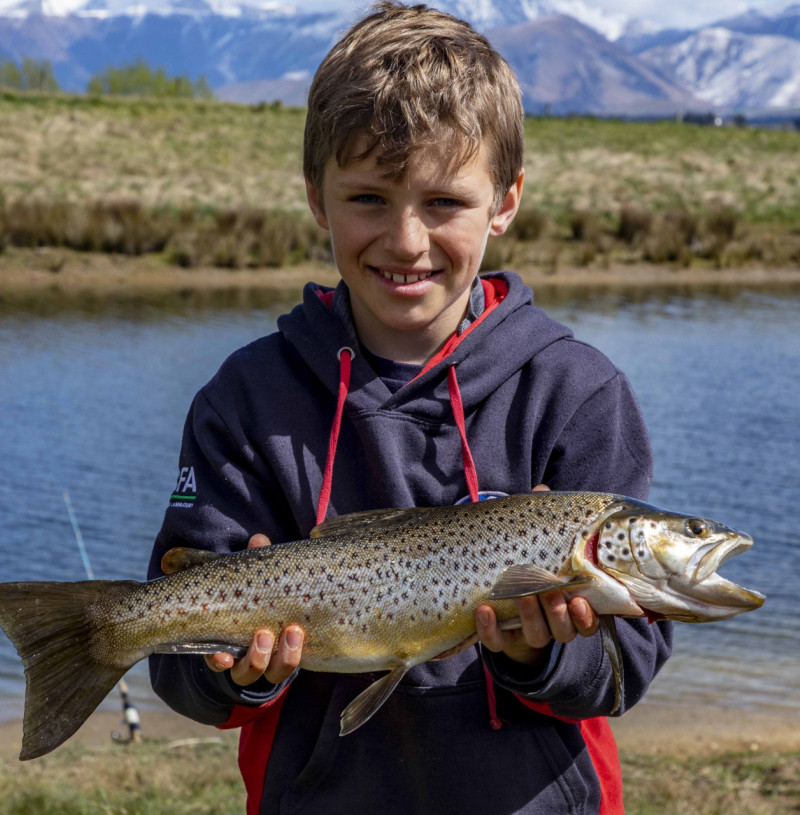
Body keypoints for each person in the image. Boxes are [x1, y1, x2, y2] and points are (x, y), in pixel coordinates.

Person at [148, 3, 672, 813]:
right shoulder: (243, 401)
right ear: (317, 199)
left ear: (506, 200)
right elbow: (182, 681)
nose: (406, 240)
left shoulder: (577, 393)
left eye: (444, 203)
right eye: (368, 198)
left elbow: (627, 664)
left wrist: (542, 655)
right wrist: (234, 674)